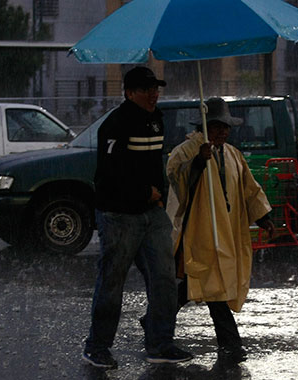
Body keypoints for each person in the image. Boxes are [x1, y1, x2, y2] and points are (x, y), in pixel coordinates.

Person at [82, 66, 192, 369]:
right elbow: (110, 173)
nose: (154, 94)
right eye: (147, 89)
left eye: (156, 88)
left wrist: (157, 198)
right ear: (130, 93)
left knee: (164, 279)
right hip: (118, 216)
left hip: (151, 214)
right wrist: (145, 193)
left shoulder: (156, 120)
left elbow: (155, 163)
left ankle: (160, 343)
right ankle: (97, 347)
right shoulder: (115, 125)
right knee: (112, 282)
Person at [165, 97, 275, 362]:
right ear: (205, 126)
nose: (223, 132)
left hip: (225, 230)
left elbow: (249, 188)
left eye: (226, 127)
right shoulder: (186, 151)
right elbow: (175, 180)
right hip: (200, 231)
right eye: (217, 126)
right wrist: (197, 163)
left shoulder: (233, 154)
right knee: (212, 284)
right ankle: (231, 343)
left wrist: (263, 217)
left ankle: (156, 319)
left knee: (201, 281)